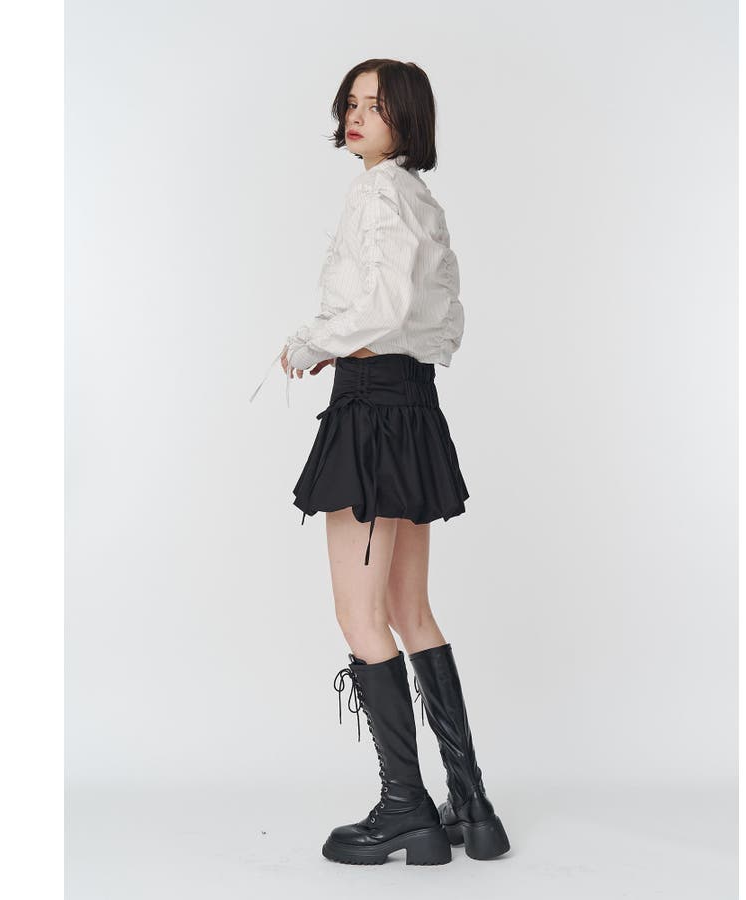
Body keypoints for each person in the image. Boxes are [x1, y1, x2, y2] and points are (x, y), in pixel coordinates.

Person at [251, 59, 510, 865]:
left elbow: (386, 307)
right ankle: (472, 807)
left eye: (376, 105)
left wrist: (313, 343)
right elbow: (443, 323)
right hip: (414, 406)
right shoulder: (421, 199)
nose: (356, 116)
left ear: (408, 118)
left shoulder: (376, 194)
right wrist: (357, 345)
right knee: (410, 609)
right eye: (352, 103)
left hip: (371, 414)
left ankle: (406, 809)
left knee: (360, 617)